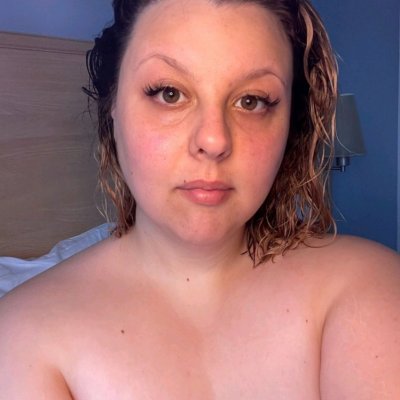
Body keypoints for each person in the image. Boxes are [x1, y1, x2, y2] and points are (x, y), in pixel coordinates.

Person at [0, 0, 399, 398]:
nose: (214, 140)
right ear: (113, 107)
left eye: (252, 100)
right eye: (169, 93)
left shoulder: (366, 286)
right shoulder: (22, 336)